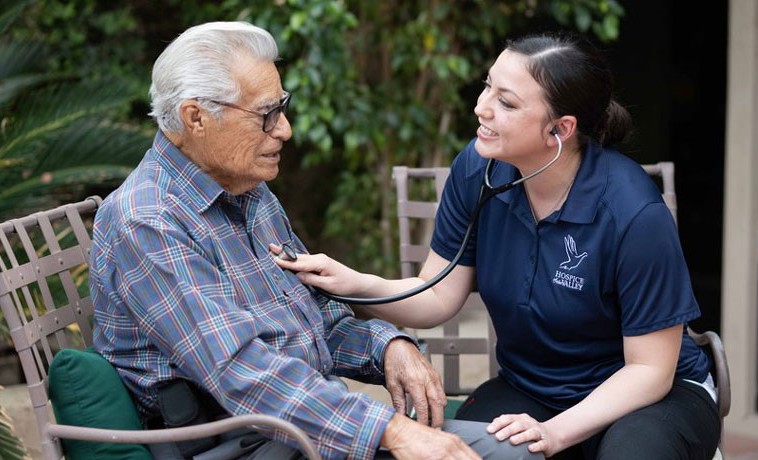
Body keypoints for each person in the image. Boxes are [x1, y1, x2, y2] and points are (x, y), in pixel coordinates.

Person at [89, 21, 540, 460]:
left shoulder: (247, 192)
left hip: (302, 428)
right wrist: (389, 429)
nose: (284, 129)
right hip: (237, 442)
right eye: (267, 115)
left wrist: (388, 345)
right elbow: (241, 371)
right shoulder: (148, 221)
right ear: (196, 118)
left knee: (512, 450)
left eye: (282, 108)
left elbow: (314, 320)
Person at [274, 32, 722, 459]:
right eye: (487, 88)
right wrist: (354, 282)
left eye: (505, 102)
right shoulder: (478, 169)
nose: (480, 108)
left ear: (559, 130)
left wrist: (555, 433)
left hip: (650, 398)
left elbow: (650, 371)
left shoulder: (633, 213)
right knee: (454, 454)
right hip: (533, 388)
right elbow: (435, 294)